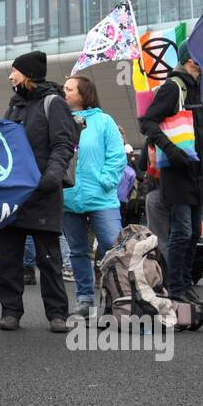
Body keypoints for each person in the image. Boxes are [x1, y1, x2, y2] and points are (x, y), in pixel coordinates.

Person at [0, 51, 77, 332]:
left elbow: (63, 144)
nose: (10, 76)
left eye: (15, 71)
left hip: (43, 193)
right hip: (14, 194)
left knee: (48, 259)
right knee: (9, 258)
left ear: (28, 74)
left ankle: (57, 314)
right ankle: (10, 311)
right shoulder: (15, 104)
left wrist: (50, 179)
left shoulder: (54, 103)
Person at [139, 43, 203, 308]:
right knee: (182, 231)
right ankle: (176, 288)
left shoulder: (199, 89)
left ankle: (184, 287)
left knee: (193, 232)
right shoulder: (174, 87)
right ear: (191, 59)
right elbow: (147, 121)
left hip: (196, 171)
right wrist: (171, 151)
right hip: (177, 170)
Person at [60, 74, 125, 318]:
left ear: (83, 94)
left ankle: (115, 298)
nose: (63, 92)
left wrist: (105, 180)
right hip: (70, 197)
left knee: (112, 245)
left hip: (101, 197)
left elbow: (116, 155)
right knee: (77, 251)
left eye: (69, 89)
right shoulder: (60, 120)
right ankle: (85, 299)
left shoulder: (104, 120)